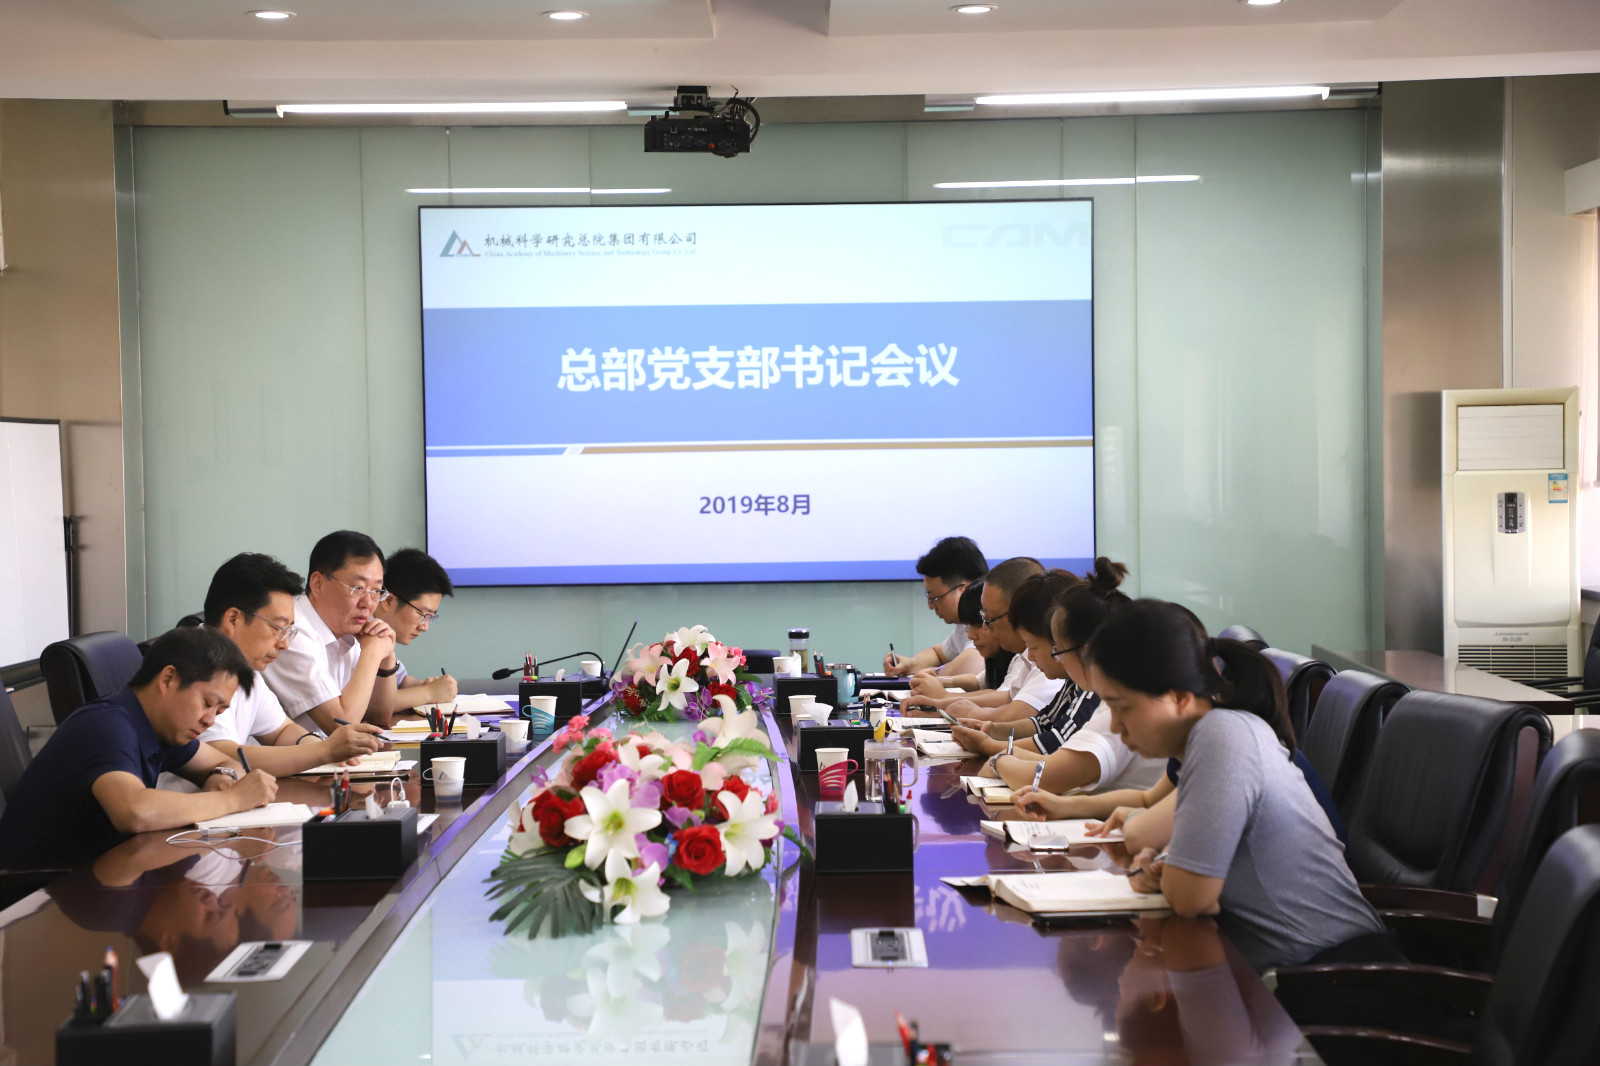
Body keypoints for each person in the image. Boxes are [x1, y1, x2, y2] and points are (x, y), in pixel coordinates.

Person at [1088, 599, 1392, 970]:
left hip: (1339, 979)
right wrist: (1164, 867)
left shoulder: (1222, 736)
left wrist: (1162, 872)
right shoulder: (1216, 735)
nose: (1116, 726)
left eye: (1122, 707)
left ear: (1179, 698)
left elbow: (1190, 899)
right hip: (1292, 972)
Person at [0, 627, 278, 870]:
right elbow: (134, 811)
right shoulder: (106, 725)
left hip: (96, 876)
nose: (210, 720)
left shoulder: (161, 726)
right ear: (168, 679)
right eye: (207, 703)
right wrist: (232, 799)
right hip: (33, 891)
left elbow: (227, 763)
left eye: (219, 711)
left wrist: (222, 777)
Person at [956, 562, 1164, 795]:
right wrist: (998, 745)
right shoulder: (1115, 692)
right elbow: (1049, 735)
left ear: (1085, 651)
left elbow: (1045, 774)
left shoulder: (1110, 704)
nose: (1055, 658)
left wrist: (997, 756)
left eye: (1057, 649)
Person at [185, 552, 383, 779]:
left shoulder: (243, 667)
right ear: (233, 619)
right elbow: (221, 755)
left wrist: (318, 746)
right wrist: (324, 751)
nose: (285, 644)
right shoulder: (197, 665)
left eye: (289, 631)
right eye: (278, 629)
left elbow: (282, 731)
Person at [262, 530, 399, 734]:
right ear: (317, 584)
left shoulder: (348, 629)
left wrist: (387, 657)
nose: (368, 603)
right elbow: (342, 726)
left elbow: (379, 719)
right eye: (358, 588)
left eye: (376, 591)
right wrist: (372, 653)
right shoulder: (291, 632)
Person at [903, 557, 1060, 722]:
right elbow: (1008, 697)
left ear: (1019, 611)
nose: (985, 628)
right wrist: (940, 705)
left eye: (990, 619)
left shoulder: (1049, 655)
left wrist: (946, 700)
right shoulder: (1026, 654)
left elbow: (1018, 711)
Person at [882, 536, 988, 677]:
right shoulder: (963, 625)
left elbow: (970, 665)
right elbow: (938, 654)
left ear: (965, 590)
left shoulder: (988, 621)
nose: (931, 606)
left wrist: (931, 674)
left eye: (935, 598)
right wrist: (910, 664)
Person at [370, 548, 459, 713]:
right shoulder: (361, 634)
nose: (424, 627)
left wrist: (423, 685)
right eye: (422, 614)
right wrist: (429, 692)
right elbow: (372, 705)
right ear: (389, 601)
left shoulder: (383, 635)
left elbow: (399, 681)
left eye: (430, 617)